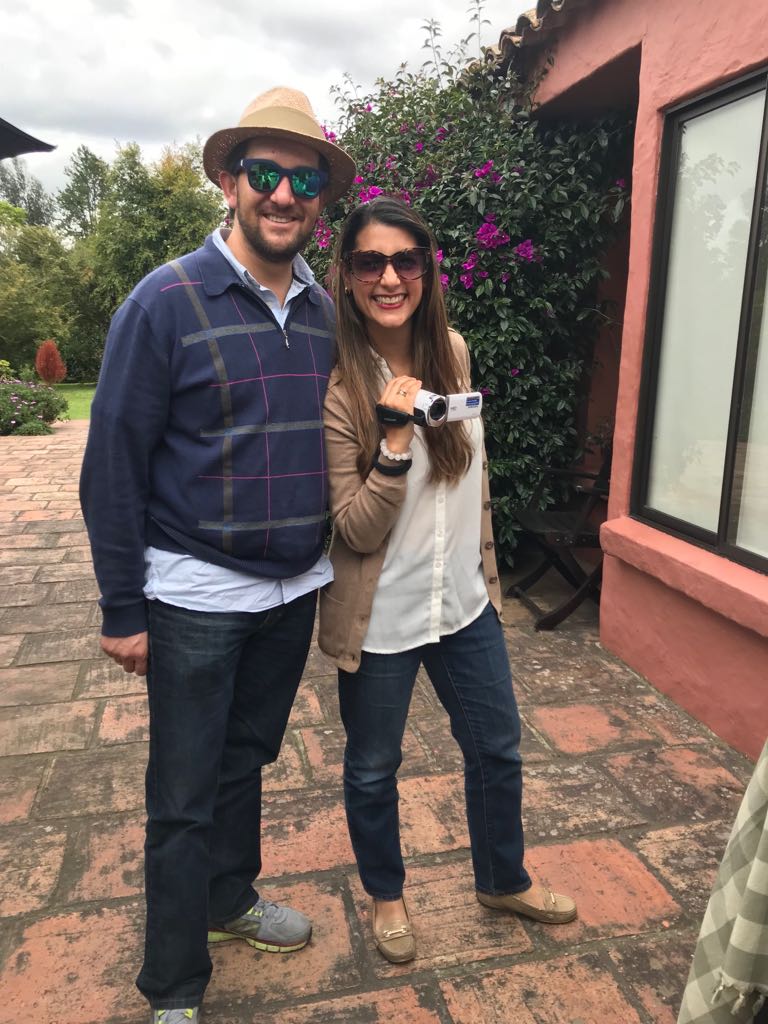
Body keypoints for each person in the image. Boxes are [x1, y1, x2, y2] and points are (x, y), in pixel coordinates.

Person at [79, 88, 355, 1024]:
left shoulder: (322, 312)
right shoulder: (164, 301)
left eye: (303, 181)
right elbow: (113, 463)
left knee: (246, 760)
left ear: (319, 200)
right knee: (184, 793)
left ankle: (229, 899)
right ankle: (173, 984)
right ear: (231, 183)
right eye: (264, 173)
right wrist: (122, 608)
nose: (283, 195)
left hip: (292, 591)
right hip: (194, 594)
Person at [318, 196, 577, 964]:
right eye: (370, 262)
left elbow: (471, 481)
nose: (389, 277)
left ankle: (503, 879)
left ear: (427, 272)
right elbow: (355, 529)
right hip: (383, 618)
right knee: (374, 767)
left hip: (462, 603)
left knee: (497, 749)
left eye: (406, 260)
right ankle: (386, 898)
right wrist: (394, 443)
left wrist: (485, 574)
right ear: (348, 275)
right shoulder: (342, 388)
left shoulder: (454, 352)